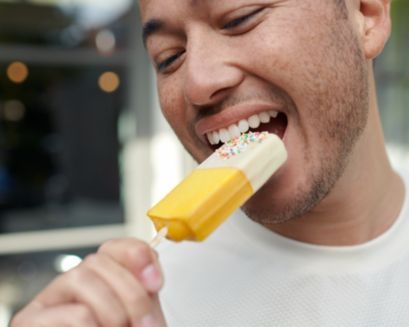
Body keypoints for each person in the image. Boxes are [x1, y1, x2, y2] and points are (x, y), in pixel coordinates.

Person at [11, 0, 408, 326]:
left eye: (240, 19)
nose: (198, 83)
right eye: (168, 58)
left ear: (366, 13)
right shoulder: (145, 303)